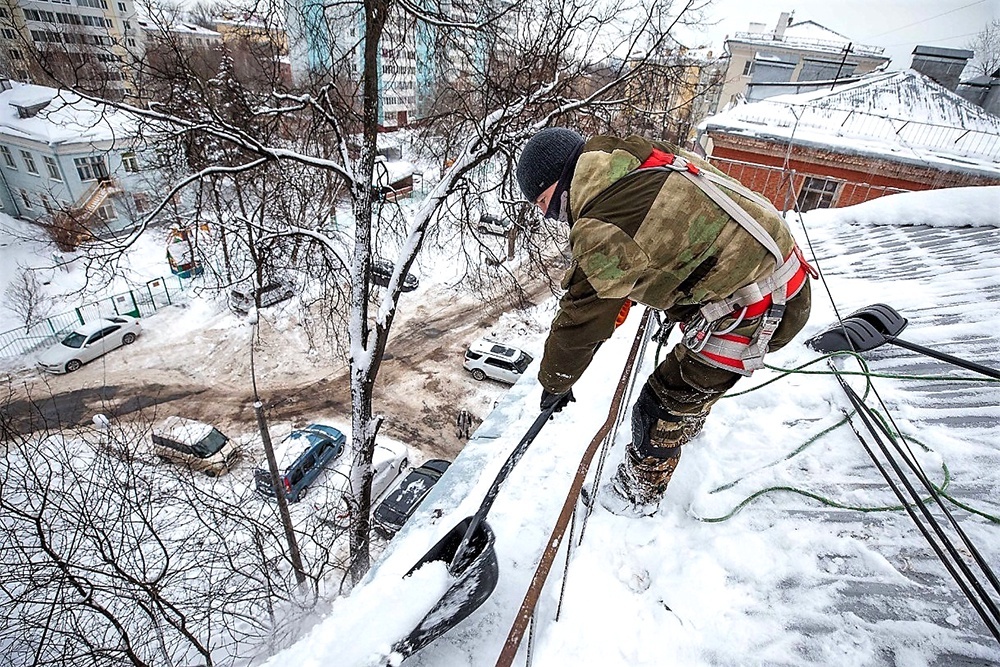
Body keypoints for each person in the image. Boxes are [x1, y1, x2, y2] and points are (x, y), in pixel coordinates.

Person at [515, 128, 814, 517]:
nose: (544, 213)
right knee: (687, 386)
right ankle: (687, 423)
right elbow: (651, 247)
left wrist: (554, 382)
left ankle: (635, 496)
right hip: (779, 270)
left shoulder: (602, 226)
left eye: (542, 200)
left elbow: (580, 321)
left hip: (760, 307)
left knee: (662, 403)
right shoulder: (626, 154)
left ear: (562, 181)